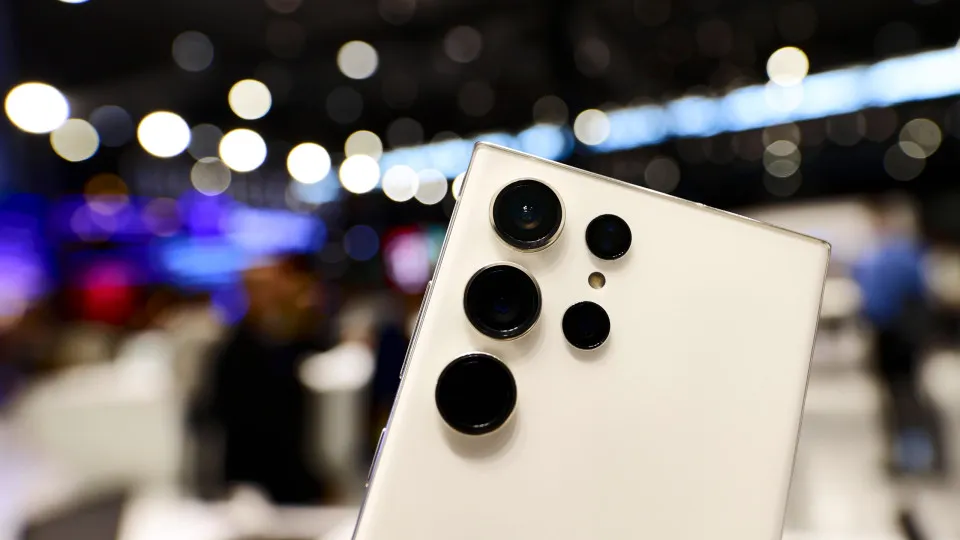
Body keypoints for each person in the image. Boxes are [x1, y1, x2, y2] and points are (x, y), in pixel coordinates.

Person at [192, 253, 331, 504]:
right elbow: (218, 412)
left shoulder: (294, 339)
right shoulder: (234, 349)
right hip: (251, 473)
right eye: (262, 287)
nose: (272, 293)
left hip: (294, 472)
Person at [852, 195, 939, 475]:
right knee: (903, 393)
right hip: (899, 335)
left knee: (902, 394)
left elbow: (878, 302)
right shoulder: (902, 254)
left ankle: (915, 454)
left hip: (896, 335)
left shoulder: (888, 256)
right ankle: (912, 452)